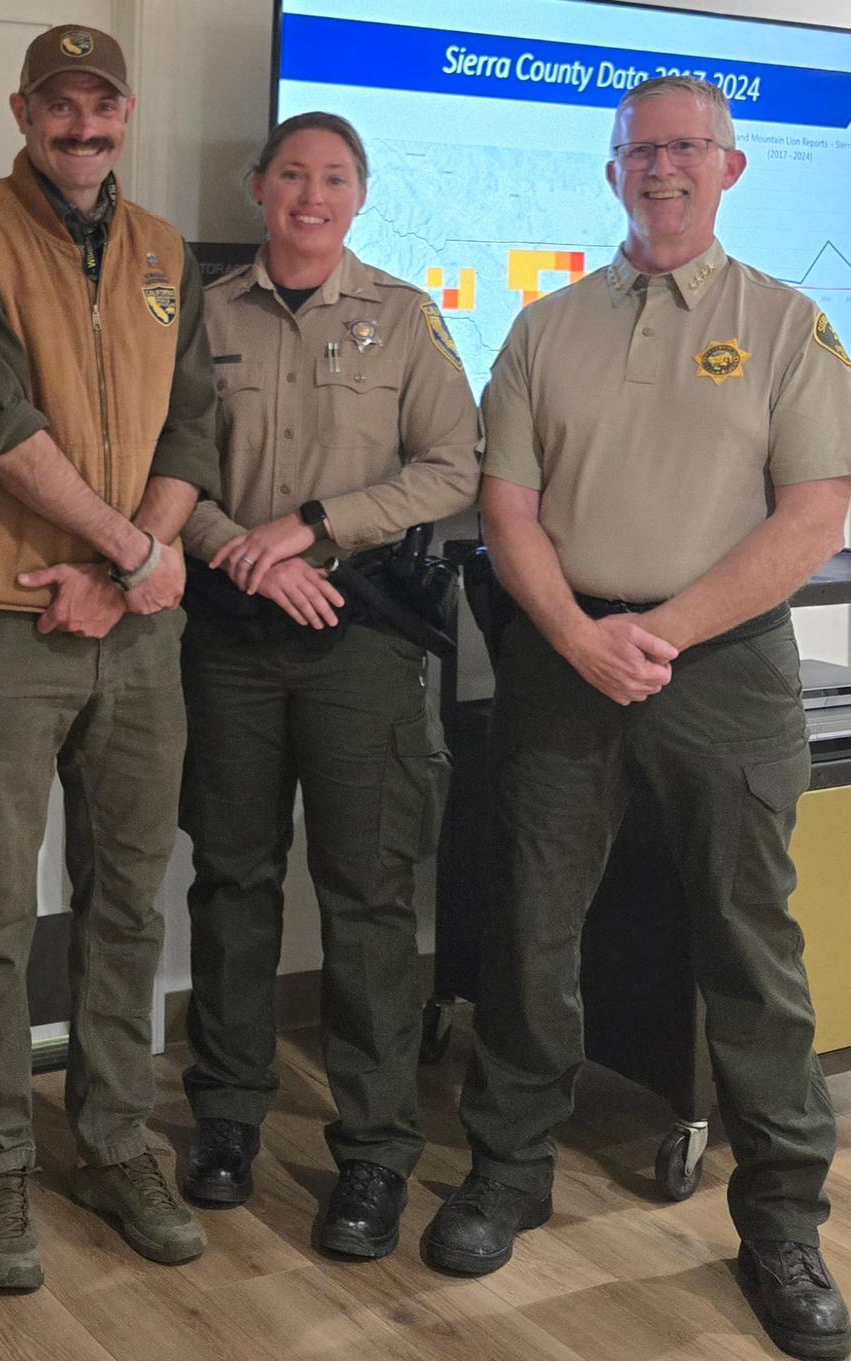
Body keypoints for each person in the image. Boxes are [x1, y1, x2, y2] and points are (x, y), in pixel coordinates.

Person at [421, 76, 850, 1361]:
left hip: (719, 666)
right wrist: (575, 634)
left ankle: (779, 1217)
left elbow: (810, 516)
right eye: (638, 151)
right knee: (533, 926)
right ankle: (506, 1169)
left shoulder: (789, 325)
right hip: (563, 653)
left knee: (748, 942)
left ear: (727, 168)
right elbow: (505, 512)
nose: (660, 168)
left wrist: (661, 632)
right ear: (610, 174)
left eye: (684, 149)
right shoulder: (543, 328)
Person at [0, 23, 219, 1291]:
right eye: (59, 105)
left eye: (101, 107)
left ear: (126, 113)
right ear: (21, 107)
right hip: (4, 613)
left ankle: (111, 1139)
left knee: (126, 898)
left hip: (137, 631)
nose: (81, 127)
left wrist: (137, 558)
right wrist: (129, 556)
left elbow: (191, 415)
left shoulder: (162, 249)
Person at [176, 111, 477, 1258]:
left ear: (360, 197)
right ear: (257, 187)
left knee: (365, 896)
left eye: (334, 178)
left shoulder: (401, 316)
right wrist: (239, 549)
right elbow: (167, 466)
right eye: (291, 173)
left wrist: (309, 532)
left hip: (362, 638)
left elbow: (455, 462)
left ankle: (372, 1153)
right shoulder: (199, 317)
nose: (310, 193)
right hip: (230, 640)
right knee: (232, 879)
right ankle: (225, 1119)